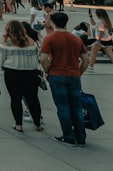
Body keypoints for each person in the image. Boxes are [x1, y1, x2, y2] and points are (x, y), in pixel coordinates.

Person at [40, 11, 88, 146]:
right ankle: (81, 136)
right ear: (66, 22)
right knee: (77, 107)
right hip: (74, 75)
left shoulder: (49, 38)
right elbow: (85, 60)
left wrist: (47, 71)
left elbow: (43, 59)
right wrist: (79, 72)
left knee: (63, 107)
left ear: (52, 23)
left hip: (57, 75)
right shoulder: (76, 39)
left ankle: (68, 136)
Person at [0, 20, 42, 132]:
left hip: (13, 73)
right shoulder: (31, 41)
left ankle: (18, 124)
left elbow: (0, 59)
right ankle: (37, 124)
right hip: (31, 73)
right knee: (32, 99)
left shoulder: (6, 43)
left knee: (15, 99)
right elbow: (37, 55)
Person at [88, 8, 113, 76]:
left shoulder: (100, 22)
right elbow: (93, 23)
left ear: (98, 14)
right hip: (108, 40)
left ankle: (90, 67)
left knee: (93, 54)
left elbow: (101, 31)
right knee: (111, 56)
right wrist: (90, 16)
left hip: (101, 40)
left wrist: (98, 41)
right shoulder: (106, 21)